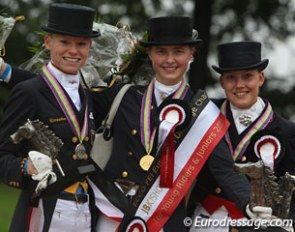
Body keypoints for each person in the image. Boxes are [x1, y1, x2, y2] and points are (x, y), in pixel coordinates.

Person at [0, 17, 253, 231]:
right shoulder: (124, 95)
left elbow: (225, 171)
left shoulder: (203, 114)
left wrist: (250, 205)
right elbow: (58, 95)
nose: (169, 60)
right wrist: (6, 71)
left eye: (178, 51)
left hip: (163, 219)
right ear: (150, 54)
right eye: (161, 51)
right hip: (110, 212)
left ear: (191, 54)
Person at [0, 3, 101, 231]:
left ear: (90, 47)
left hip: (85, 211)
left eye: (81, 44)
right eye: (65, 42)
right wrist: (25, 166)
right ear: (48, 42)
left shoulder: (88, 94)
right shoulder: (29, 92)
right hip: (45, 209)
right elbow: (3, 154)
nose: (73, 51)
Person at [188, 41, 295, 232]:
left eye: (247, 76)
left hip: (256, 226)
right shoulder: (204, 115)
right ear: (221, 82)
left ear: (260, 78)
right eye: (231, 78)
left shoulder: (286, 131)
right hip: (205, 221)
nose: (239, 85)